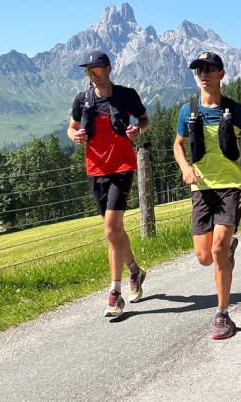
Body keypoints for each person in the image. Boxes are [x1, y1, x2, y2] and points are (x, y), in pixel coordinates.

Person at [173, 52, 241, 339]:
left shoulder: (234, 109)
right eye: (199, 69)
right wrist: (186, 168)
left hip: (230, 185)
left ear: (221, 74)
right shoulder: (187, 111)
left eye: (210, 69)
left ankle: (222, 315)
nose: (204, 73)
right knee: (204, 257)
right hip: (201, 188)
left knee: (217, 251)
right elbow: (177, 145)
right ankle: (226, 250)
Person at [67, 50, 150, 318]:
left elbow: (144, 120)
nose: (93, 75)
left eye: (97, 70)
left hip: (122, 167)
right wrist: (75, 136)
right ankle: (135, 270)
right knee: (114, 231)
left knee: (111, 229)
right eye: (89, 71)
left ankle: (115, 293)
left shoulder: (126, 95)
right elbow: (71, 127)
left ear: (109, 69)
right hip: (95, 170)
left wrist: (139, 129)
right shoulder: (83, 99)